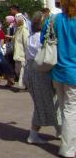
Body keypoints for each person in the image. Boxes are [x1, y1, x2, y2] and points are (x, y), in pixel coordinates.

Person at [23, 12, 59, 144]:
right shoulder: (41, 39)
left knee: (46, 103)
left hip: (31, 72)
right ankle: (33, 135)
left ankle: (59, 130)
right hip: (40, 74)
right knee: (43, 105)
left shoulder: (32, 37)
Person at [49, 0, 76, 158]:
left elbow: (45, 39)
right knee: (70, 109)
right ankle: (67, 148)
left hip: (57, 71)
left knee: (62, 106)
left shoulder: (56, 20)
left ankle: (62, 135)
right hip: (73, 72)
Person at [12, 13, 29, 89]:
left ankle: (22, 85)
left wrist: (26, 54)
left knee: (23, 70)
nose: (14, 23)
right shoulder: (17, 30)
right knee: (18, 70)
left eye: (15, 21)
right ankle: (25, 84)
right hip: (17, 54)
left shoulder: (24, 30)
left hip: (22, 54)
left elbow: (26, 42)